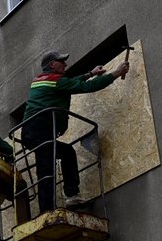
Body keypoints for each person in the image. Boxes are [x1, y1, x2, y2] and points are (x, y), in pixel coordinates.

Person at [21, 50, 129, 213]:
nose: (65, 64)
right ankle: (47, 212)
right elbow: (85, 87)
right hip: (40, 129)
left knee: (66, 153)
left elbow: (69, 83)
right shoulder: (55, 81)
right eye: (61, 61)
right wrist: (116, 73)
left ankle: (71, 197)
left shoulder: (43, 80)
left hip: (34, 130)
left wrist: (90, 73)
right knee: (46, 168)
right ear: (52, 64)